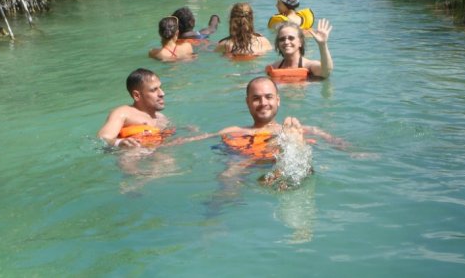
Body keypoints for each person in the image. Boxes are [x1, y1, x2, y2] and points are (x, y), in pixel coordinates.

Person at [168, 77, 346, 183]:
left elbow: (335, 142)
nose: (263, 103)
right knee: (228, 174)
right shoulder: (232, 131)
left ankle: (288, 168)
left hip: (276, 164)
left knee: (291, 141)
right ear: (247, 102)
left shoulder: (297, 129)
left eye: (268, 97)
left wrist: (355, 153)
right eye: (256, 98)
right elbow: (197, 139)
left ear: (278, 100)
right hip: (244, 166)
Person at [97, 68, 172, 148]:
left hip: (157, 153)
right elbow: (102, 139)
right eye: (154, 90)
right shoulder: (123, 113)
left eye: (160, 88)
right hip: (131, 154)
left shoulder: (162, 119)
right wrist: (120, 143)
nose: (162, 93)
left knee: (166, 160)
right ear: (137, 95)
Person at [266, 19, 334, 82]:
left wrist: (322, 44)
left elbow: (326, 71)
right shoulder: (274, 67)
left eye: (291, 38)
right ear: (278, 44)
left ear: (300, 42)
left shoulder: (309, 66)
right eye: (282, 39)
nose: (286, 42)